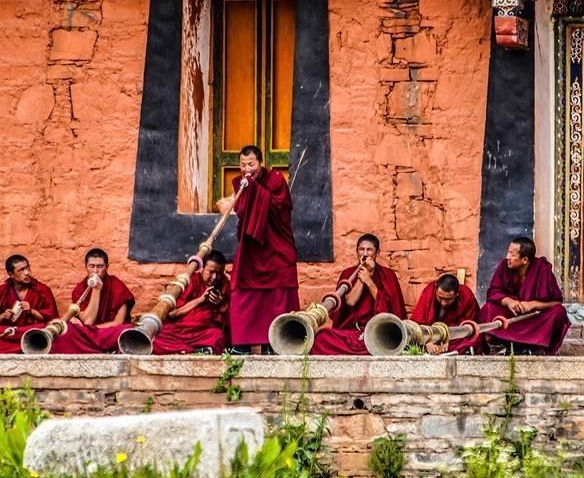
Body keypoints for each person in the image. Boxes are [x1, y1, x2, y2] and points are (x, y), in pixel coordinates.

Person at [216, 145, 299, 354]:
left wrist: (253, 188)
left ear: (260, 163)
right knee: (243, 294)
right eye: (242, 165)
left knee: (276, 299)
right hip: (251, 250)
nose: (246, 169)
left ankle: (274, 343)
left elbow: (279, 209)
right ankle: (241, 345)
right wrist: (242, 192)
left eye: (251, 164)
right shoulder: (240, 184)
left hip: (275, 248)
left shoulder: (276, 181)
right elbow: (242, 212)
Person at [309, 234, 407, 355]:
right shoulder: (348, 274)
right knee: (322, 337)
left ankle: (375, 347)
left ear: (377, 253)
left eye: (369, 249)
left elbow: (388, 311)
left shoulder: (388, 275)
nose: (365, 253)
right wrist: (361, 278)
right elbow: (350, 301)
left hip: (379, 332)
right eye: (361, 249)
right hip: (352, 332)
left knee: (386, 342)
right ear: (357, 252)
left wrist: (369, 282)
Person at [475, 237, 570, 355]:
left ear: (525, 260)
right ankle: (499, 344)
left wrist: (532, 304)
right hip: (512, 315)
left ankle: (537, 346)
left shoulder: (542, 269)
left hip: (533, 317)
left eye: (512, 254)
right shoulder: (504, 266)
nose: (507, 257)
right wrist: (509, 302)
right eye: (508, 252)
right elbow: (494, 292)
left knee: (559, 312)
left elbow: (556, 301)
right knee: (488, 308)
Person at [50, 248, 136, 354]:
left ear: (107, 267)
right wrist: (96, 291)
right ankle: (105, 349)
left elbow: (118, 322)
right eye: (92, 266)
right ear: (86, 267)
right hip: (88, 332)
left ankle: (89, 348)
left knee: (128, 329)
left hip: (106, 332)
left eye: (100, 266)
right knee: (68, 330)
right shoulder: (80, 290)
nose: (95, 271)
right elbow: (88, 320)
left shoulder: (117, 286)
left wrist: (92, 329)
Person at [0, 255, 59, 354]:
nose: (27, 273)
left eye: (28, 268)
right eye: (21, 270)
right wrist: (3, 316)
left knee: (42, 330)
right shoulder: (3, 290)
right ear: (11, 274)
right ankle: (28, 347)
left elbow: (53, 320)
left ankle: (11, 347)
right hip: (11, 332)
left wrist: (32, 311)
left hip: (32, 330)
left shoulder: (42, 290)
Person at [151, 250, 230, 355]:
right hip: (179, 331)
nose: (215, 277)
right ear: (202, 269)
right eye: (211, 272)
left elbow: (232, 318)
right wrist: (200, 300)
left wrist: (222, 307)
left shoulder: (225, 285)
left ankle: (186, 350)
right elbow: (172, 313)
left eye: (219, 273)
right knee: (155, 337)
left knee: (218, 336)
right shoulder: (191, 281)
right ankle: (194, 351)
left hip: (203, 333)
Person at [410, 273, 479, 354]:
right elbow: (418, 322)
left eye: (448, 299)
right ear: (436, 289)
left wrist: (449, 338)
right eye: (440, 298)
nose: (443, 303)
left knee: (470, 342)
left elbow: (468, 327)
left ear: (457, 294)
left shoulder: (466, 296)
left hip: (454, 337)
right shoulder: (429, 292)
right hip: (430, 334)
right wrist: (427, 340)